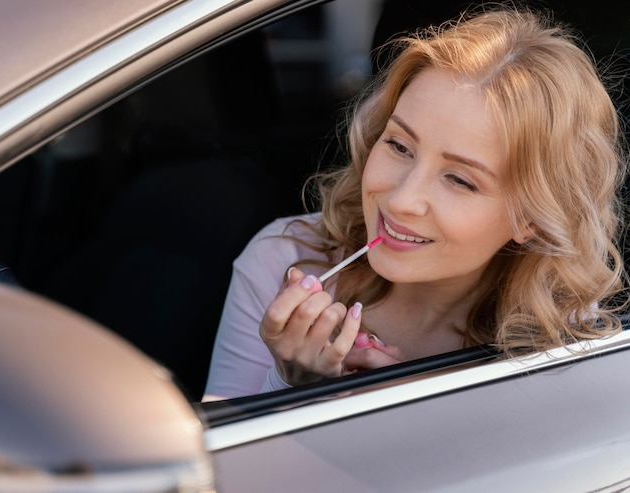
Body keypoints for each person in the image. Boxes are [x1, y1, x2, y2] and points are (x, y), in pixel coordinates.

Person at [203, 5, 628, 401]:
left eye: (459, 179)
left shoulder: (559, 326)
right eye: (399, 146)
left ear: (532, 218)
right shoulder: (286, 259)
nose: (402, 200)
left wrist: (424, 411)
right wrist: (292, 386)